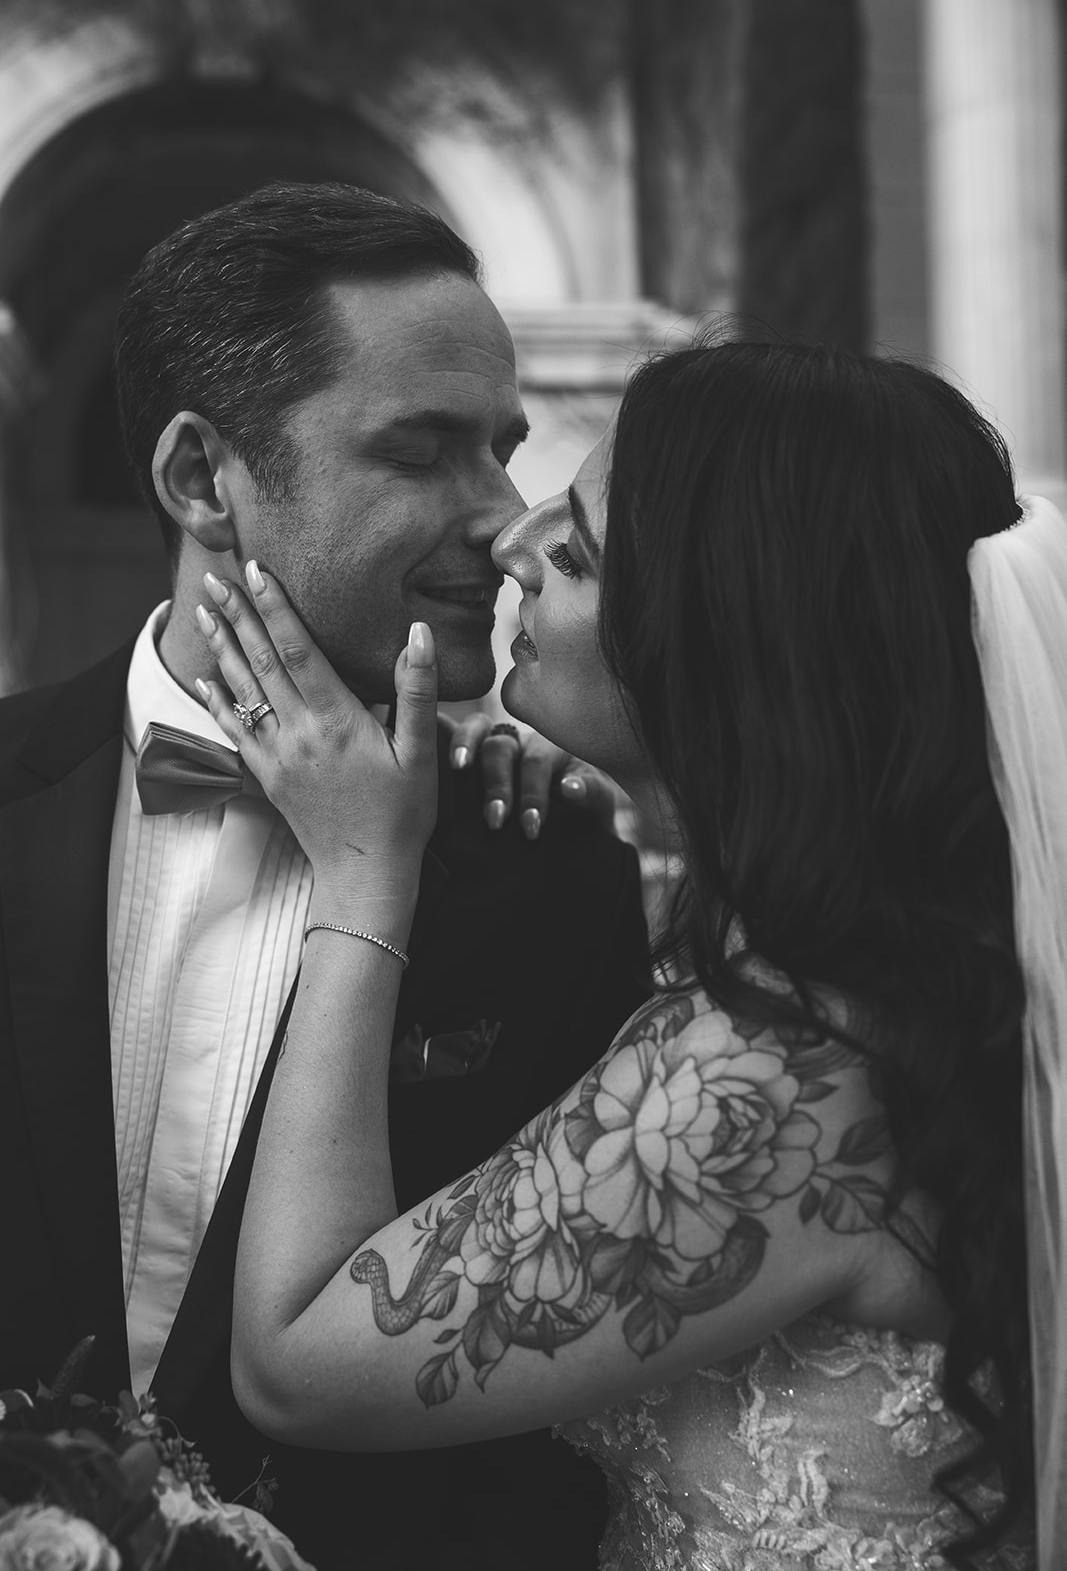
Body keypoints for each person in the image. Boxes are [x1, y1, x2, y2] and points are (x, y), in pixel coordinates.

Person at [202, 339, 1053, 1569]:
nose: (511, 541)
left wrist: (358, 872)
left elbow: (295, 1363)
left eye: (581, 550)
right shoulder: (878, 993)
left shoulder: (782, 1078)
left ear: (724, 639)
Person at [0, 182, 652, 1571]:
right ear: (199, 480)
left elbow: (565, 1425)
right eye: (421, 452)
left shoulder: (549, 865)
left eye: (503, 450)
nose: (501, 518)